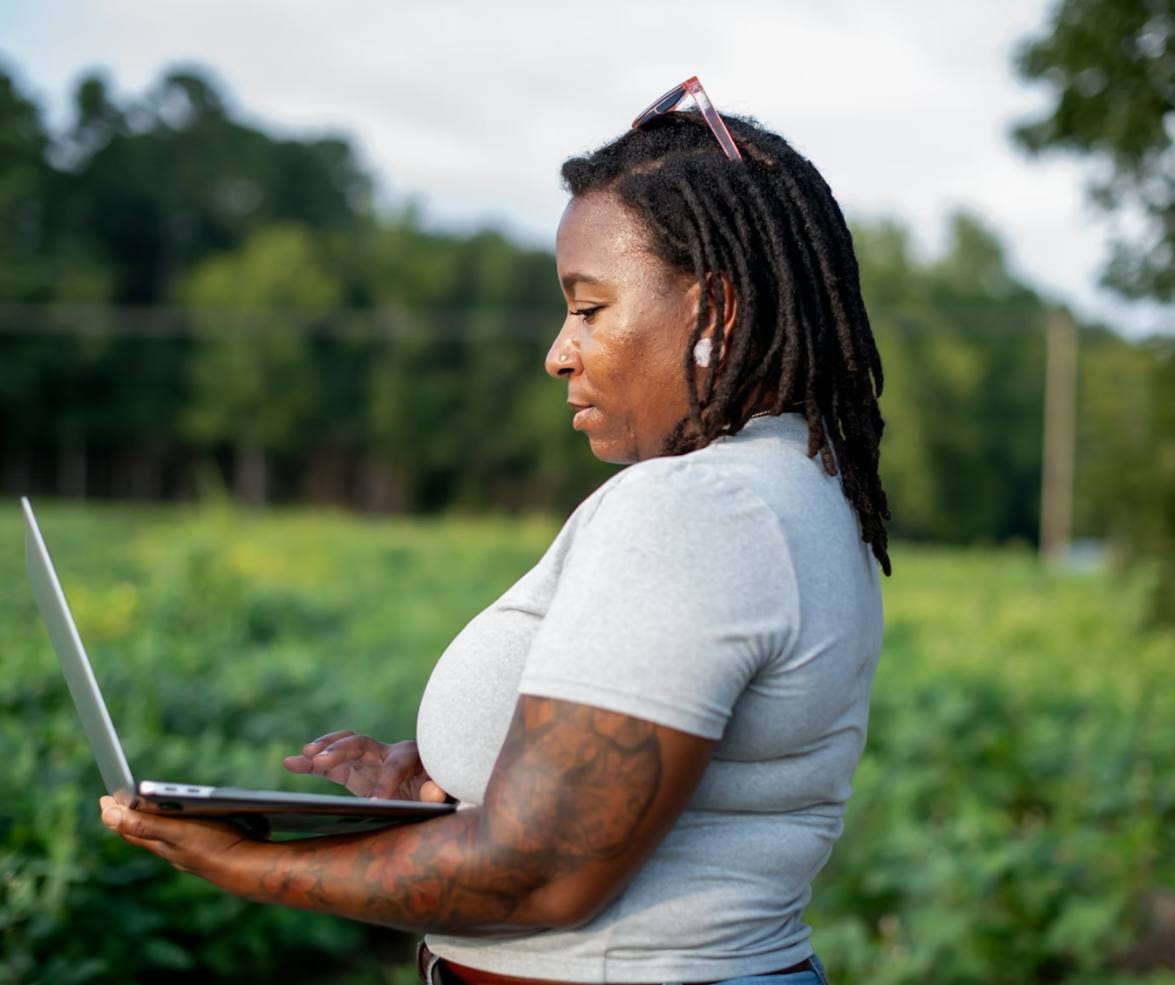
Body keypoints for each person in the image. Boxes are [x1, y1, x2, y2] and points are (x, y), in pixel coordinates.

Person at [100, 77, 890, 985]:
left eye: (587, 307)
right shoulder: (797, 489)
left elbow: (544, 871)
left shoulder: (696, 508)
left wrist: (245, 863)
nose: (559, 350)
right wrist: (458, 785)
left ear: (712, 308)